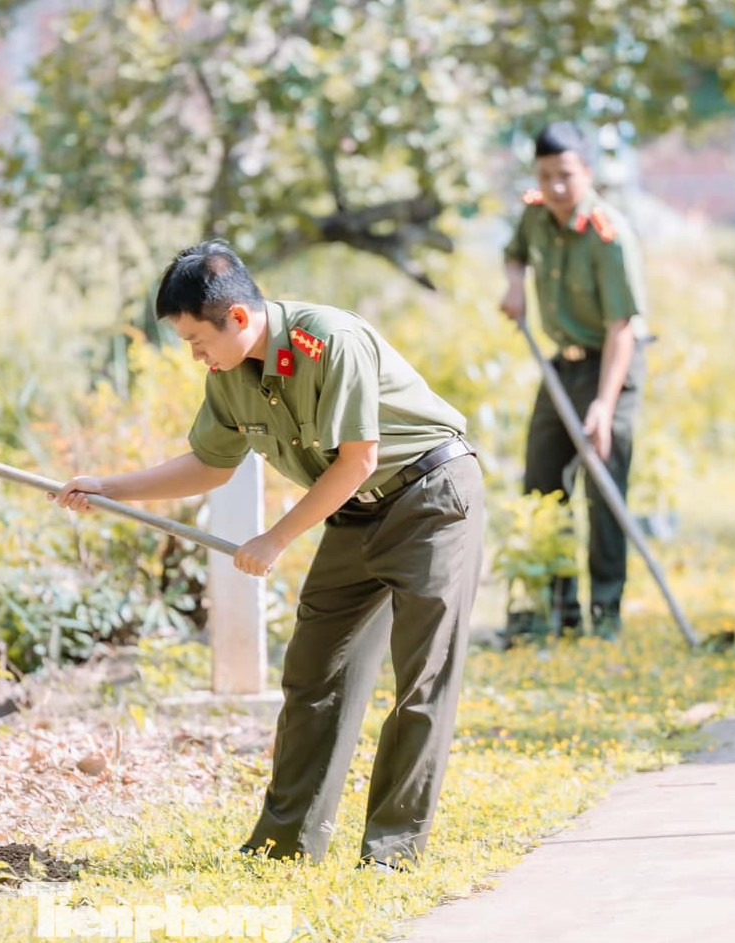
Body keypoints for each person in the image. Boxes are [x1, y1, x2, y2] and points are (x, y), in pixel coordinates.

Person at [51, 241, 484, 869]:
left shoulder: (328, 340)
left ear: (237, 317)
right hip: (355, 511)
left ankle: (391, 852)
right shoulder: (229, 376)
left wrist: (275, 537)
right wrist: (108, 488)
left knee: (422, 677)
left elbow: (357, 459)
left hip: (429, 496)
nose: (195, 356)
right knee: (314, 671)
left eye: (197, 341)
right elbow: (209, 464)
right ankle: (285, 847)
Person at [500, 121, 648, 642]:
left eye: (565, 175)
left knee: (603, 486)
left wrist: (604, 406)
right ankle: (554, 612)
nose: (555, 187)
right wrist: (514, 286)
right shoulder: (535, 213)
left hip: (611, 366)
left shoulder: (609, 235)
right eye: (545, 176)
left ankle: (605, 613)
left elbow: (621, 329)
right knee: (543, 484)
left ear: (586, 171)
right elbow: (514, 253)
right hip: (559, 365)